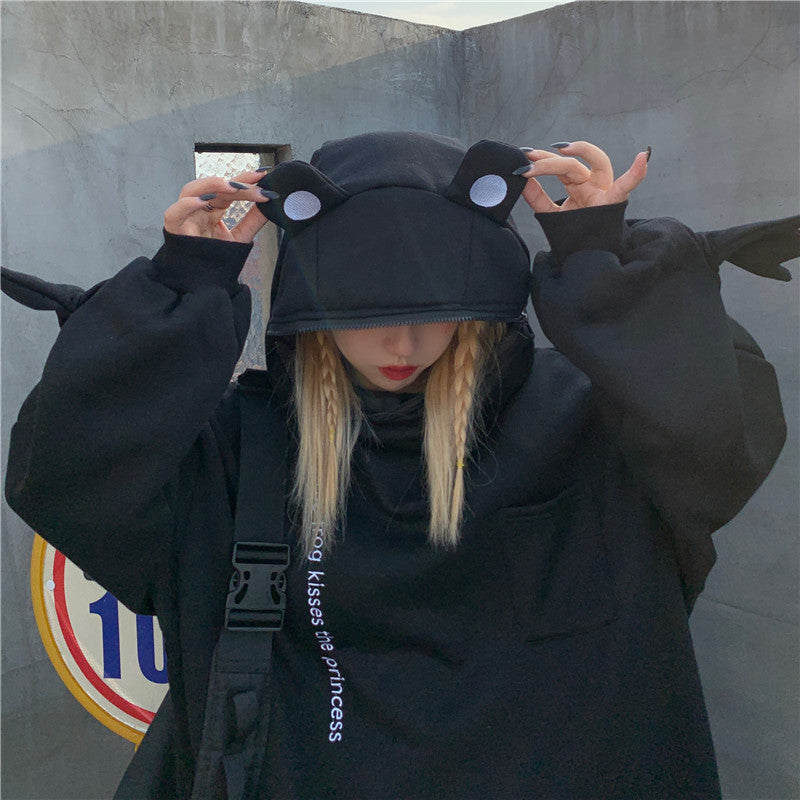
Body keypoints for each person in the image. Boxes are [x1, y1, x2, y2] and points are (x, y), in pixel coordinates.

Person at [3, 130, 792, 800]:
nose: (401, 343)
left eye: (435, 306)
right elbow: (65, 480)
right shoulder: (244, 451)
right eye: (365, 309)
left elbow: (722, 449)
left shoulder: (583, 423)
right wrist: (182, 291)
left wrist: (606, 269)